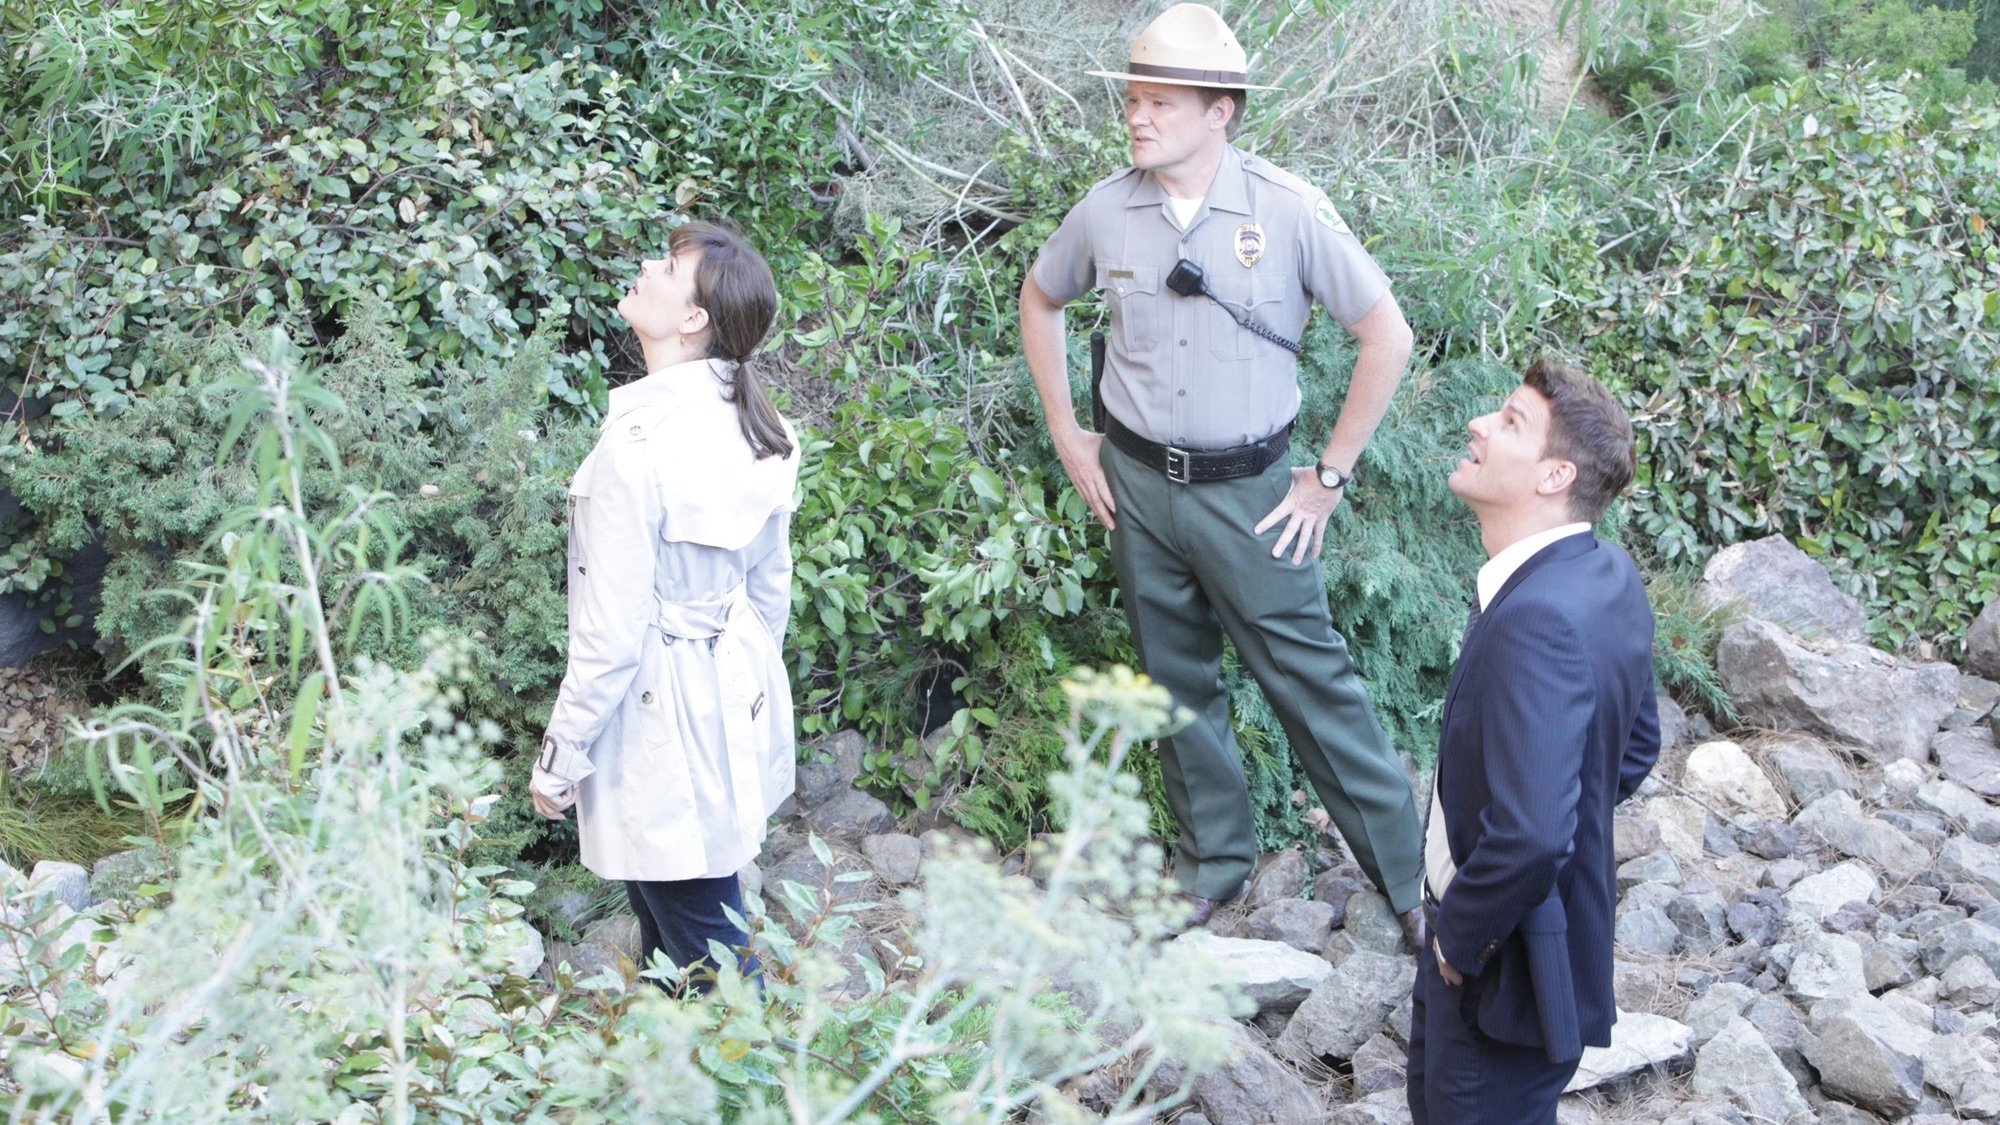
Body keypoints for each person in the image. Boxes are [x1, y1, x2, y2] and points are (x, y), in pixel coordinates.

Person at [1019, 2, 1424, 937]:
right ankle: (1212, 866)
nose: (1138, 116)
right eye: (1134, 98)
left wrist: (1327, 477)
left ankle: (1410, 887)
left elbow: (1385, 335)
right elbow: (1040, 300)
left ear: (1221, 112)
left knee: (1309, 682)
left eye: (1161, 99)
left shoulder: (1283, 209)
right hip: (1137, 484)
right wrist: (1068, 432)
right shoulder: (1106, 211)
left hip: (1254, 496)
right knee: (1172, 683)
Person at [530, 220, 800, 993]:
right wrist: (743, 690)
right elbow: (767, 591)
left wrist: (561, 755)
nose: (648, 265)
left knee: (706, 946)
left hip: (655, 706)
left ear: (693, 319)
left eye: (669, 265)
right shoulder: (762, 427)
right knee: (679, 931)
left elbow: (610, 636)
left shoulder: (638, 446)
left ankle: (766, 1092)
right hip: (725, 693)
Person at [1406, 359, 1661, 1123]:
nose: (1479, 424)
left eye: (1510, 420)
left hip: (1498, 981)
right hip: (1540, 956)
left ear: (1554, 475)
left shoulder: (1536, 618)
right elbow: (1636, 746)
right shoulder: (1604, 572)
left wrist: (1460, 937)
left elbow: (1533, 832)